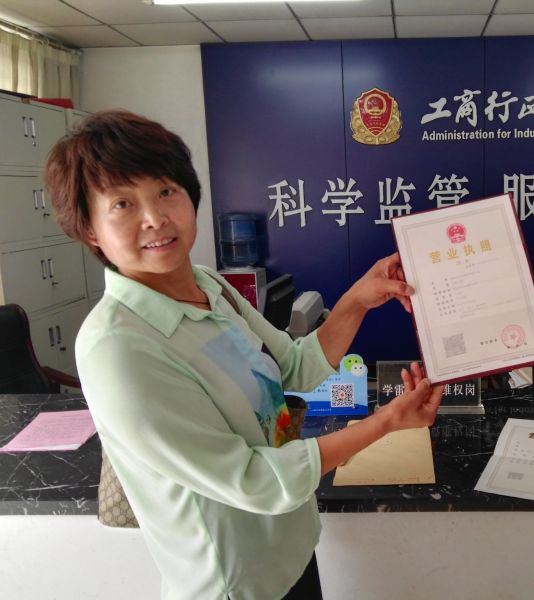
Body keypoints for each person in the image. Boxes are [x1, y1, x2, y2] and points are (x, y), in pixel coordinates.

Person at [43, 110, 443, 600]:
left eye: (166, 191)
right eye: (123, 203)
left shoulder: (210, 288)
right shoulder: (117, 346)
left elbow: (293, 367)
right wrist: (385, 423)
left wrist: (359, 297)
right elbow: (253, 480)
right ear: (89, 229)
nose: (155, 218)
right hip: (235, 583)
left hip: (289, 550)